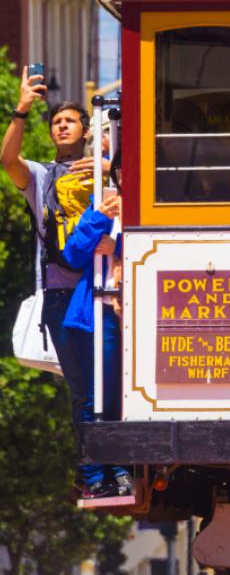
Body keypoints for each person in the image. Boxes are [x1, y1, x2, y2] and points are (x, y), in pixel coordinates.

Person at [0, 68, 107, 490]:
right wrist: (21, 109)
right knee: (82, 388)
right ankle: (92, 472)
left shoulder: (105, 169)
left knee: (110, 387)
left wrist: (108, 166)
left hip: (108, 290)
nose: (61, 126)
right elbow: (8, 160)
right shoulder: (43, 177)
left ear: (85, 130)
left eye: (69, 121)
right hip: (63, 296)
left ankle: (115, 469)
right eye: (55, 122)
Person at [60, 163, 131, 498]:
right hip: (92, 314)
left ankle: (117, 469)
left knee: (118, 397)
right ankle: (97, 475)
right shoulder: (101, 202)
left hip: (127, 314)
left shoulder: (148, 205)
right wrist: (100, 215)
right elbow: (73, 254)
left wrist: (115, 249)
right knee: (95, 397)